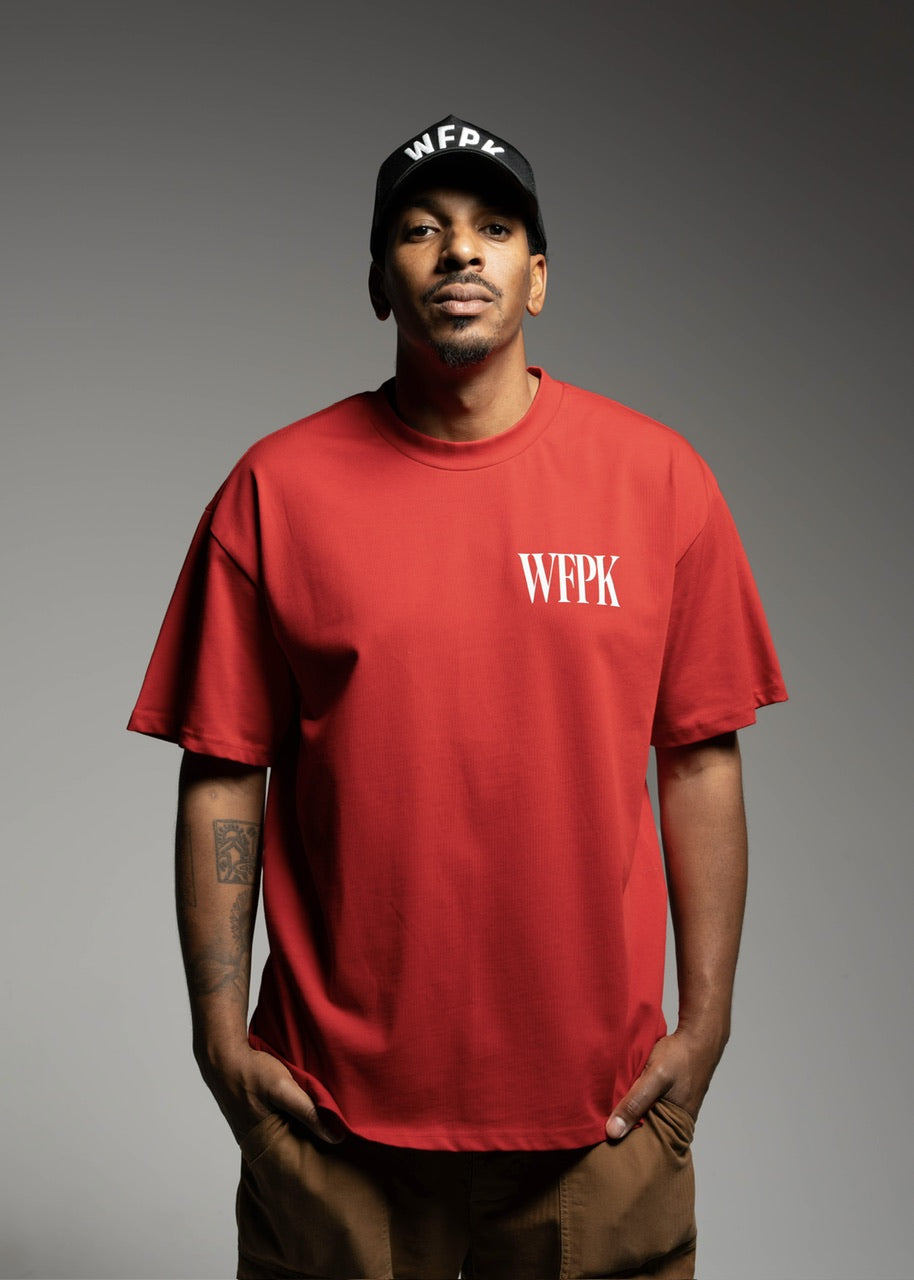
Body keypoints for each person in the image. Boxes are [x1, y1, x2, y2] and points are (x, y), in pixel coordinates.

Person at [128, 114, 787, 1280]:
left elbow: (697, 757)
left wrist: (706, 1025)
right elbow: (224, 770)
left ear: (537, 276)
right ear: (377, 282)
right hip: (332, 1128)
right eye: (420, 229)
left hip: (601, 1128)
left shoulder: (658, 481)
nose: (459, 251)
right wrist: (219, 1040)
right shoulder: (276, 490)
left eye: (493, 227)